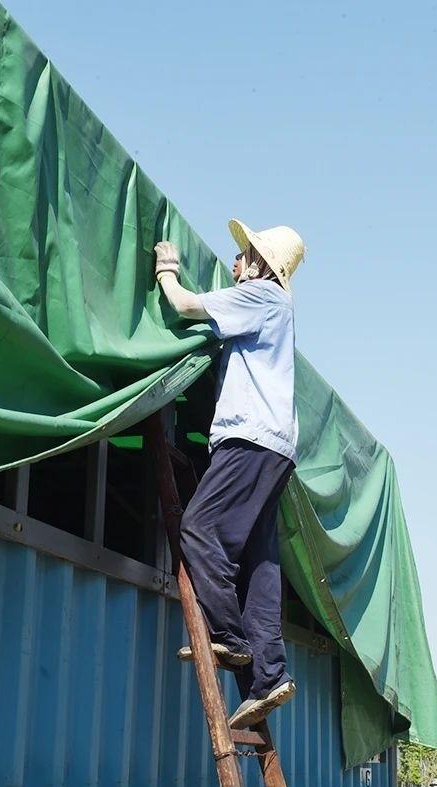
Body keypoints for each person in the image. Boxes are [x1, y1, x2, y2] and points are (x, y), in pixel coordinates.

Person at [152, 219, 305, 729]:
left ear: (264, 266)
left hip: (250, 439)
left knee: (199, 528)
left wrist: (167, 271)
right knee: (261, 565)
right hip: (277, 448)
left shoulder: (262, 295)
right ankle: (269, 677)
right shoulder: (273, 309)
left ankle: (230, 638)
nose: (236, 261)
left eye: (244, 254)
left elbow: (185, 306)